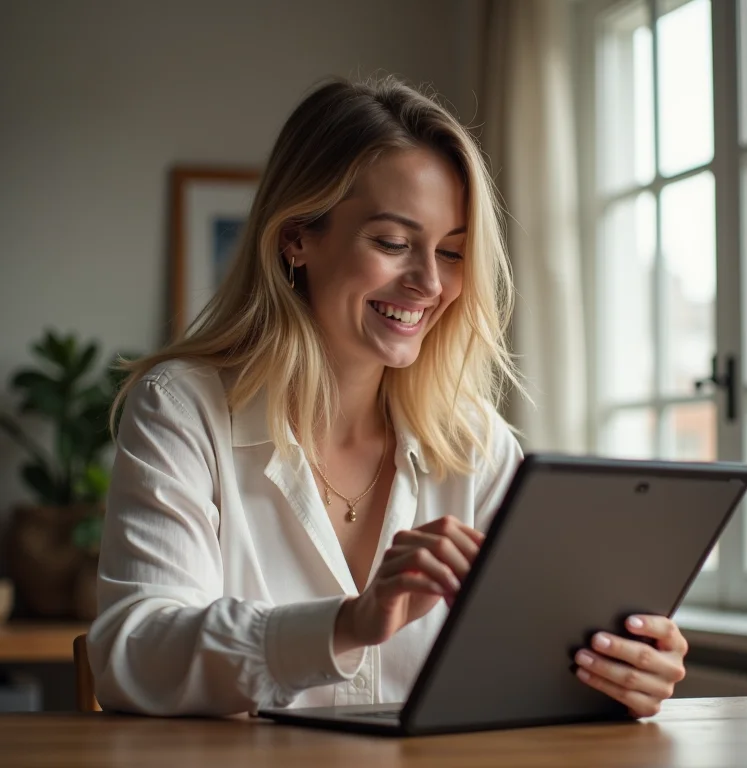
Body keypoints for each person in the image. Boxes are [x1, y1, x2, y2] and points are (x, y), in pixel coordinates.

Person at [87, 76, 688, 718]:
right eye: (392, 243)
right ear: (296, 238)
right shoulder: (184, 410)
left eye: (453, 252)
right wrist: (347, 624)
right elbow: (136, 655)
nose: (429, 282)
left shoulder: (477, 446)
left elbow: (522, 672)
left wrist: (615, 671)